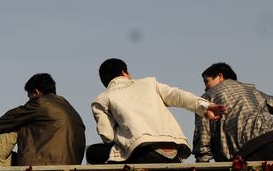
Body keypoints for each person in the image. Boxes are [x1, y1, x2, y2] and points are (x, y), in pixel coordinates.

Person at [87, 58, 226, 164]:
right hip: (174, 153)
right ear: (125, 72)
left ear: (105, 83)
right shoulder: (149, 83)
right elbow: (178, 96)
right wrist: (206, 106)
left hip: (143, 154)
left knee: (93, 153)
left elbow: (107, 136)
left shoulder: (102, 99)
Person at [0, 73, 86, 166]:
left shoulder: (40, 103)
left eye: (29, 97)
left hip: (40, 165)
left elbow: (2, 122)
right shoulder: (69, 107)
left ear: (36, 92)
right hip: (71, 165)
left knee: (13, 124)